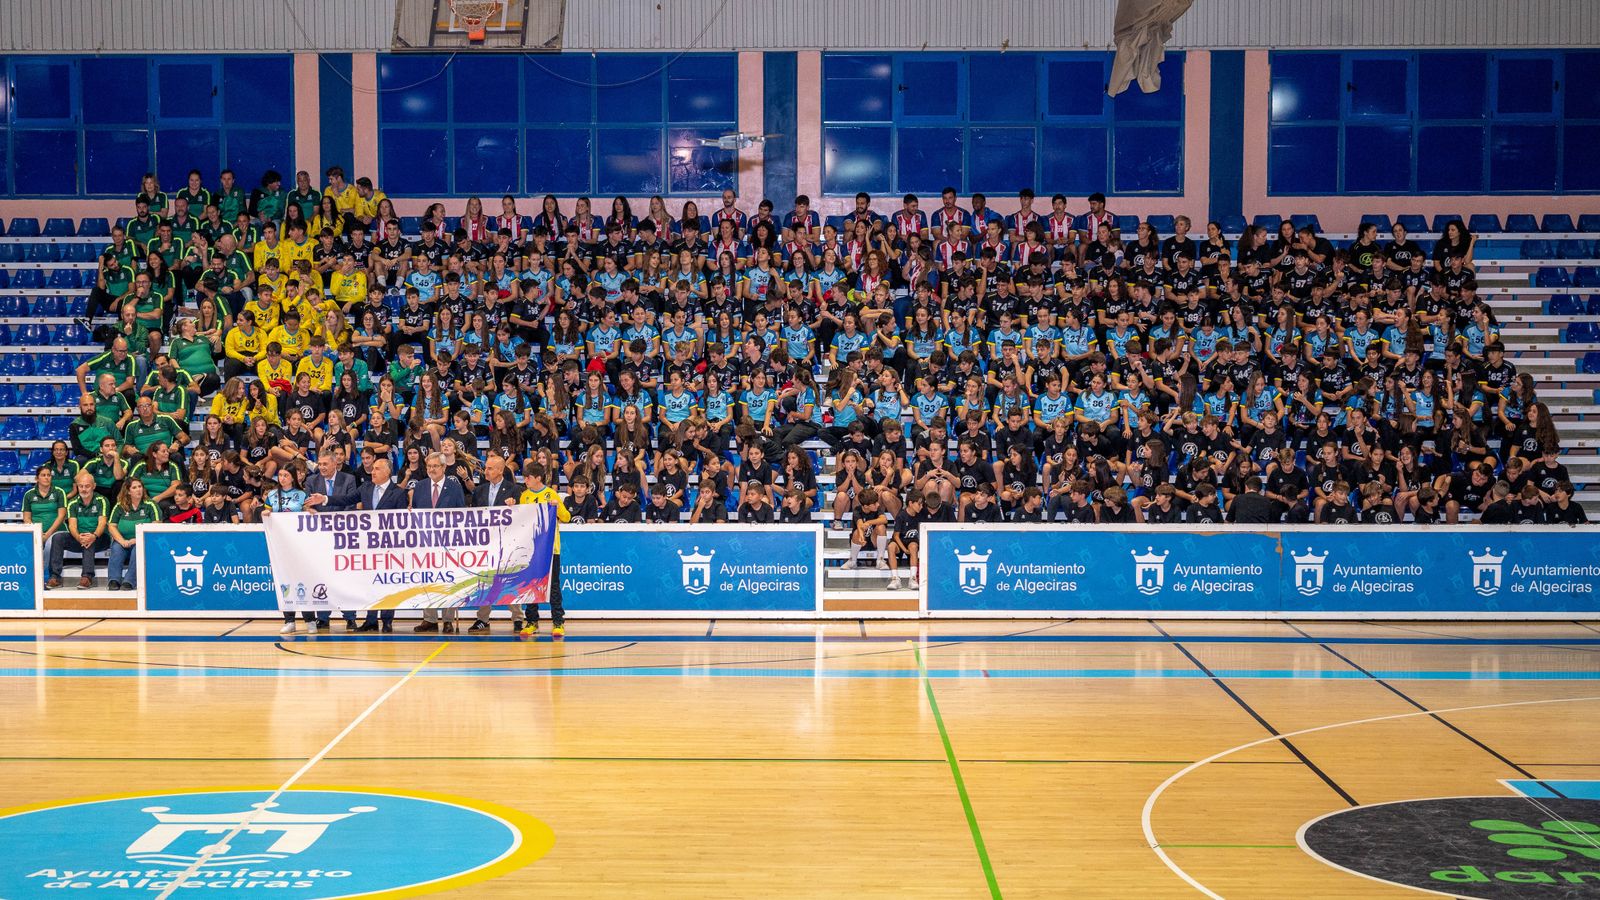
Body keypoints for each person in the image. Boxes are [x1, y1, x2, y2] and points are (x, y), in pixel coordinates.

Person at [413, 452, 468, 633]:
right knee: (427, 580)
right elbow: (416, 513)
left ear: (444, 467)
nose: (431, 469)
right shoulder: (420, 486)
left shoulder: (454, 487)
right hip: (425, 543)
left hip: (448, 543)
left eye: (435, 466)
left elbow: (461, 513)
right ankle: (429, 619)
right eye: (429, 466)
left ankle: (448, 620)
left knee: (448, 581)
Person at [518, 462, 570, 638]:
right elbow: (520, 521)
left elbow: (566, 517)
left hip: (550, 548)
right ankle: (532, 621)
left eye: (528, 478)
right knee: (531, 585)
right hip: (531, 549)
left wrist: (557, 506)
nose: (525, 481)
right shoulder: (524, 496)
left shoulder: (551, 494)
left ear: (538, 478)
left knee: (553, 586)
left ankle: (558, 621)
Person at [106, 478, 161, 591]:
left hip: (143, 540)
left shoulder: (151, 504)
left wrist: (138, 539)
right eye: (134, 487)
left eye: (140, 487)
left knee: (138, 549)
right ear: (128, 491)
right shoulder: (120, 506)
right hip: (123, 540)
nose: (138, 490)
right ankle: (114, 580)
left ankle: (129, 581)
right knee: (116, 548)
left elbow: (157, 525)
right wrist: (122, 541)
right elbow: (111, 526)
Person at [60, 471, 110, 589]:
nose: (83, 489)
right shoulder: (72, 503)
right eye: (81, 486)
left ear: (94, 486)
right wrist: (79, 537)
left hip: (100, 538)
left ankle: (87, 577)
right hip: (79, 538)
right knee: (58, 538)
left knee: (89, 538)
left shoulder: (102, 500)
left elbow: (102, 523)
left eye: (87, 486)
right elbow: (72, 526)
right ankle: (55, 577)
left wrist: (94, 536)